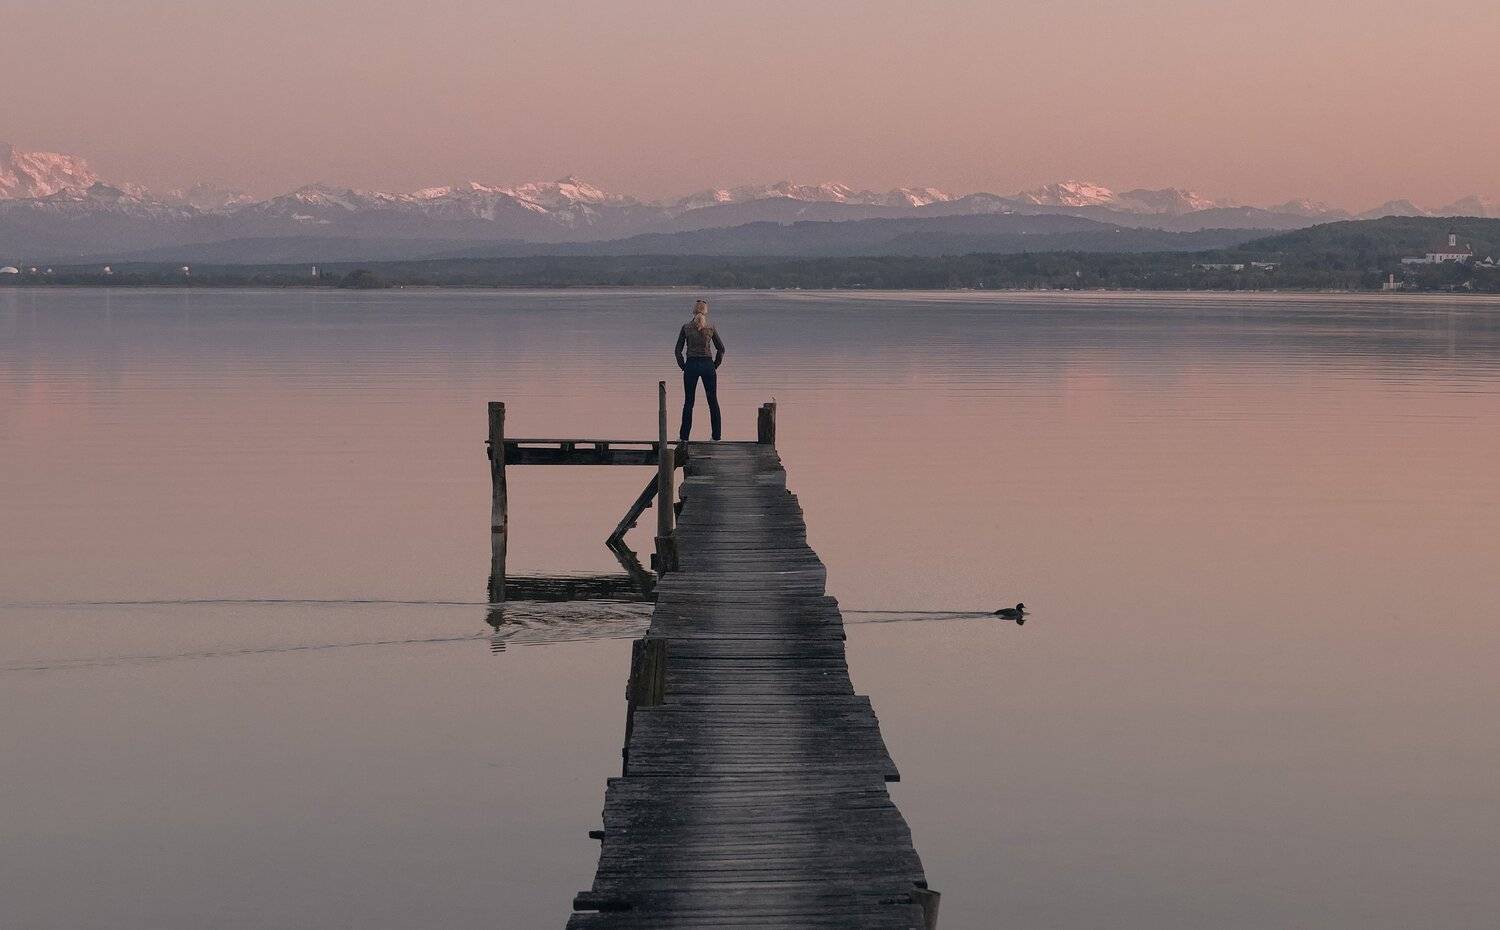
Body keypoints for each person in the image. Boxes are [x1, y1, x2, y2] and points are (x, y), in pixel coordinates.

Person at [674, 298, 725, 441]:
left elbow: (678, 350)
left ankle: (684, 437)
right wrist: (715, 365)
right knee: (713, 402)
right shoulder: (710, 328)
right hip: (708, 365)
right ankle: (716, 437)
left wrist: (683, 366)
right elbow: (721, 349)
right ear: (705, 312)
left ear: (693, 311)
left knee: (689, 402)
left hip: (691, 365)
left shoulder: (686, 327)